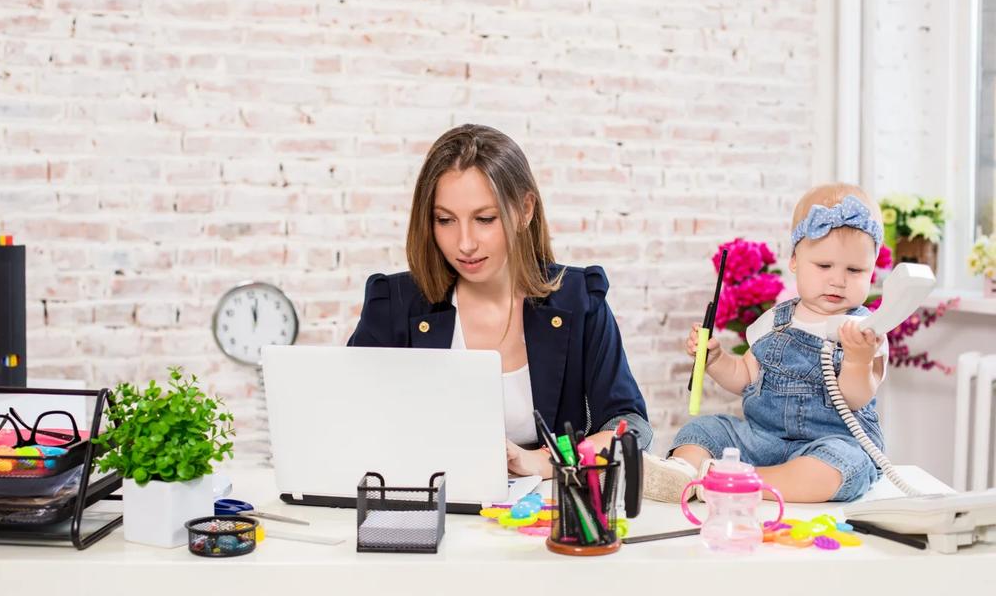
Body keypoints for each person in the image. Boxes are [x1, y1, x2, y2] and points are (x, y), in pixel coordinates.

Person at [347, 124, 652, 478]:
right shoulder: (393, 305)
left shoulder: (581, 301)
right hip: (425, 503)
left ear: (525, 210)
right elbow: (349, 414)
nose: (465, 243)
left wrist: (546, 460)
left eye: (484, 219)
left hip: (541, 517)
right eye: (445, 220)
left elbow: (629, 426)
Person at [643, 183, 888, 503]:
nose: (837, 280)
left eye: (854, 270)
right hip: (762, 440)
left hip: (829, 443)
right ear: (796, 260)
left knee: (846, 464)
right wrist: (716, 361)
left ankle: (739, 481)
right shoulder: (775, 321)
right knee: (706, 429)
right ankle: (684, 473)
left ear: (871, 271)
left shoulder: (868, 332)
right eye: (824, 266)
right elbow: (745, 376)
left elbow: (855, 398)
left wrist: (857, 358)